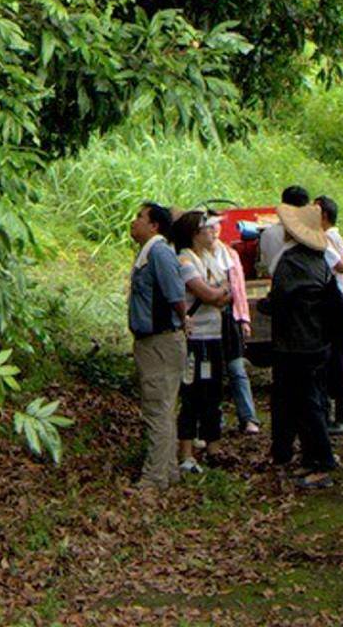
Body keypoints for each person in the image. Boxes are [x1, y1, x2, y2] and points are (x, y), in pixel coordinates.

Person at [257, 201, 343, 489]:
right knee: (308, 401)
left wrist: (266, 305)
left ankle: (322, 461)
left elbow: (282, 300)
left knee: (307, 404)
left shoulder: (293, 262)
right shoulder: (317, 259)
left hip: (298, 343)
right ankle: (311, 459)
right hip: (315, 340)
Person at [127, 201, 188, 488]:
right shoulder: (148, 253)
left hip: (159, 341)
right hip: (155, 341)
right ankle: (169, 469)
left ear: (154, 226)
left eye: (140, 218)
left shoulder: (159, 253)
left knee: (157, 409)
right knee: (162, 407)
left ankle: (155, 476)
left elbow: (175, 294)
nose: (133, 222)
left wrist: (182, 320)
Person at [170, 211, 233, 473]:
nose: (212, 232)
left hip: (214, 334)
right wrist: (217, 294)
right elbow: (208, 293)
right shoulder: (185, 260)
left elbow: (227, 291)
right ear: (194, 234)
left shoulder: (211, 258)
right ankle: (186, 450)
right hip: (195, 337)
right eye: (206, 229)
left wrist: (218, 294)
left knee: (213, 392)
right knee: (192, 393)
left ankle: (213, 445)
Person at [315, 195, 343, 435]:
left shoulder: (328, 238)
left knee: (338, 359)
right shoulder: (332, 236)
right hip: (335, 301)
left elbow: (341, 265)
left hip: (335, 302)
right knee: (336, 359)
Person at [214, 222, 262, 434]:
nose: (213, 231)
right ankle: (214, 419)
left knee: (236, 368)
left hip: (229, 318)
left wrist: (244, 319)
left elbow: (239, 289)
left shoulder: (230, 254)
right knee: (211, 371)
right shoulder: (193, 256)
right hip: (207, 320)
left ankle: (248, 417)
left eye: (215, 226)